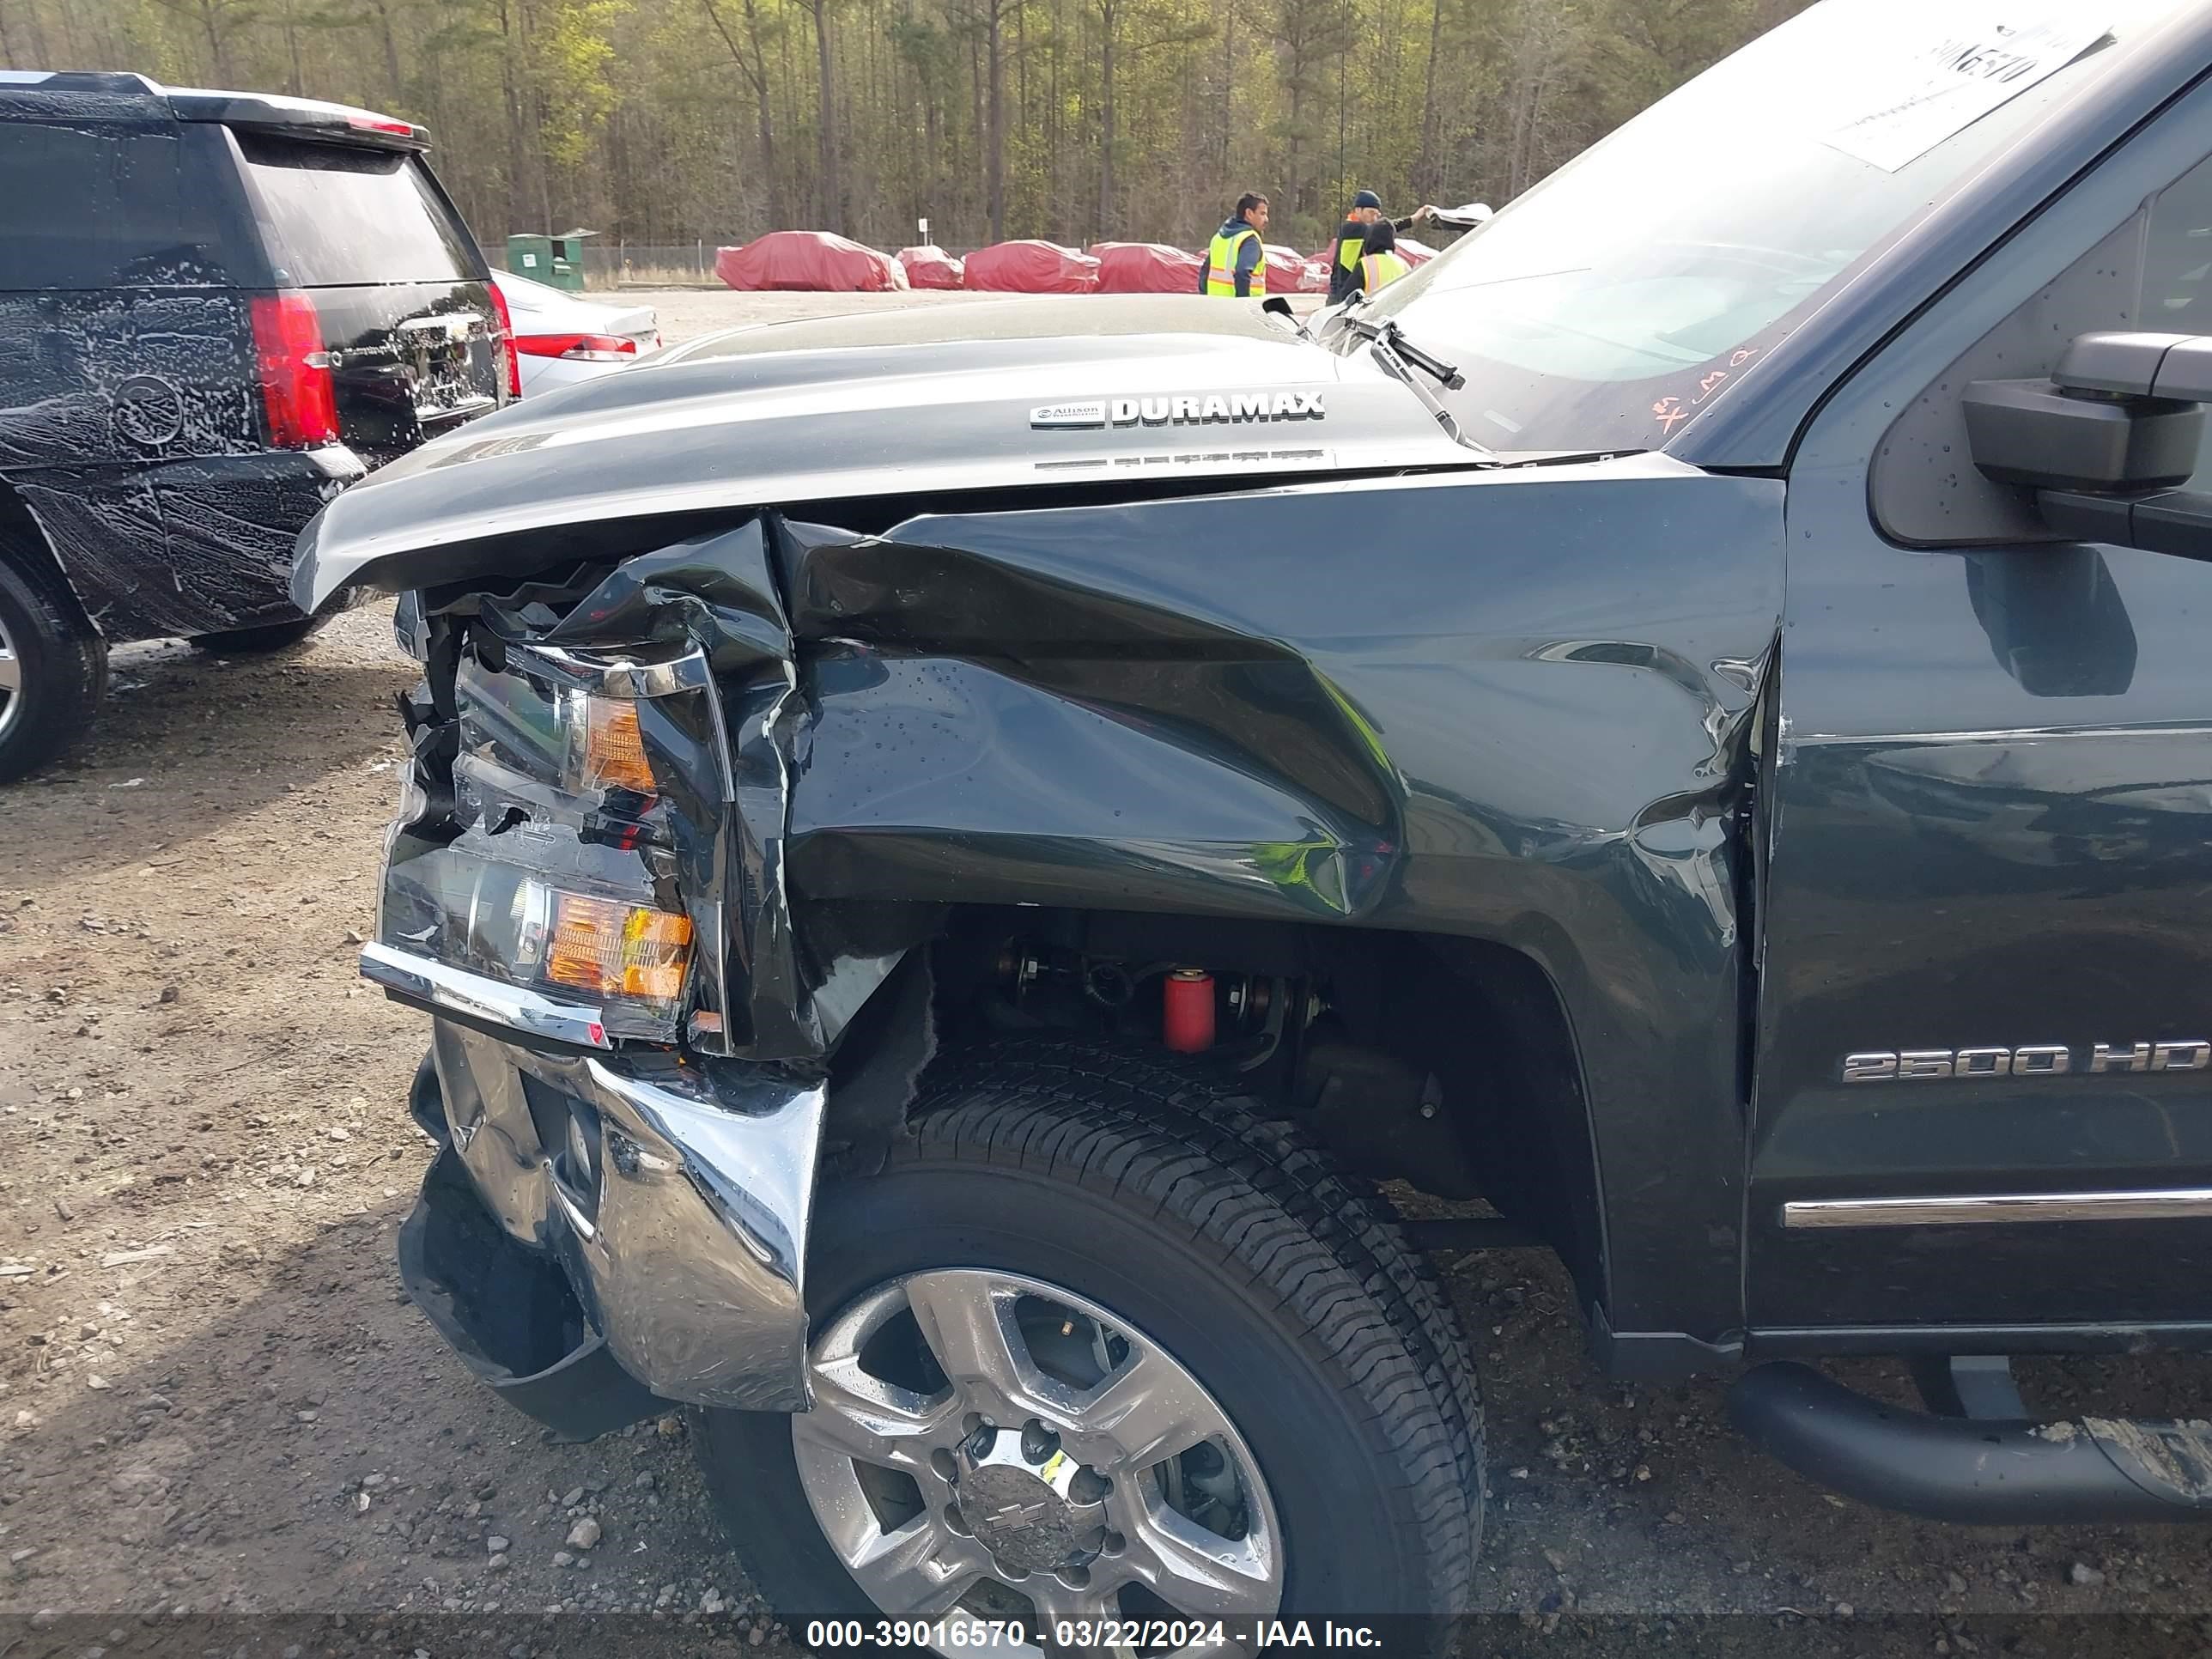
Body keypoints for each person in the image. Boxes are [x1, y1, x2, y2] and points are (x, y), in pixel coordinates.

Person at [1328, 189, 1435, 305]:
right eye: (1371, 213)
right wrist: (1413, 219)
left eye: (1377, 215)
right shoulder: (1351, 228)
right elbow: (1383, 229)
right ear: (1358, 210)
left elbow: (1384, 228)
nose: (1374, 218)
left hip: (1350, 292)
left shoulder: (1359, 229)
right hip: (1340, 296)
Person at [1201, 192, 1270, 298]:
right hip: (1239, 309)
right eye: (1262, 214)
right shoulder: (1250, 239)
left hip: (1215, 308)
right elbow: (1242, 273)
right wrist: (1243, 305)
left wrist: (1205, 298)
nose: (1266, 219)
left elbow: (1205, 272)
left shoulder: (1219, 237)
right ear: (1249, 213)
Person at [1355, 219, 1412, 297]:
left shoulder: (1365, 264)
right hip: (1398, 308)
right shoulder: (1404, 265)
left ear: (1369, 240)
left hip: (1371, 308)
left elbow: (1347, 297)